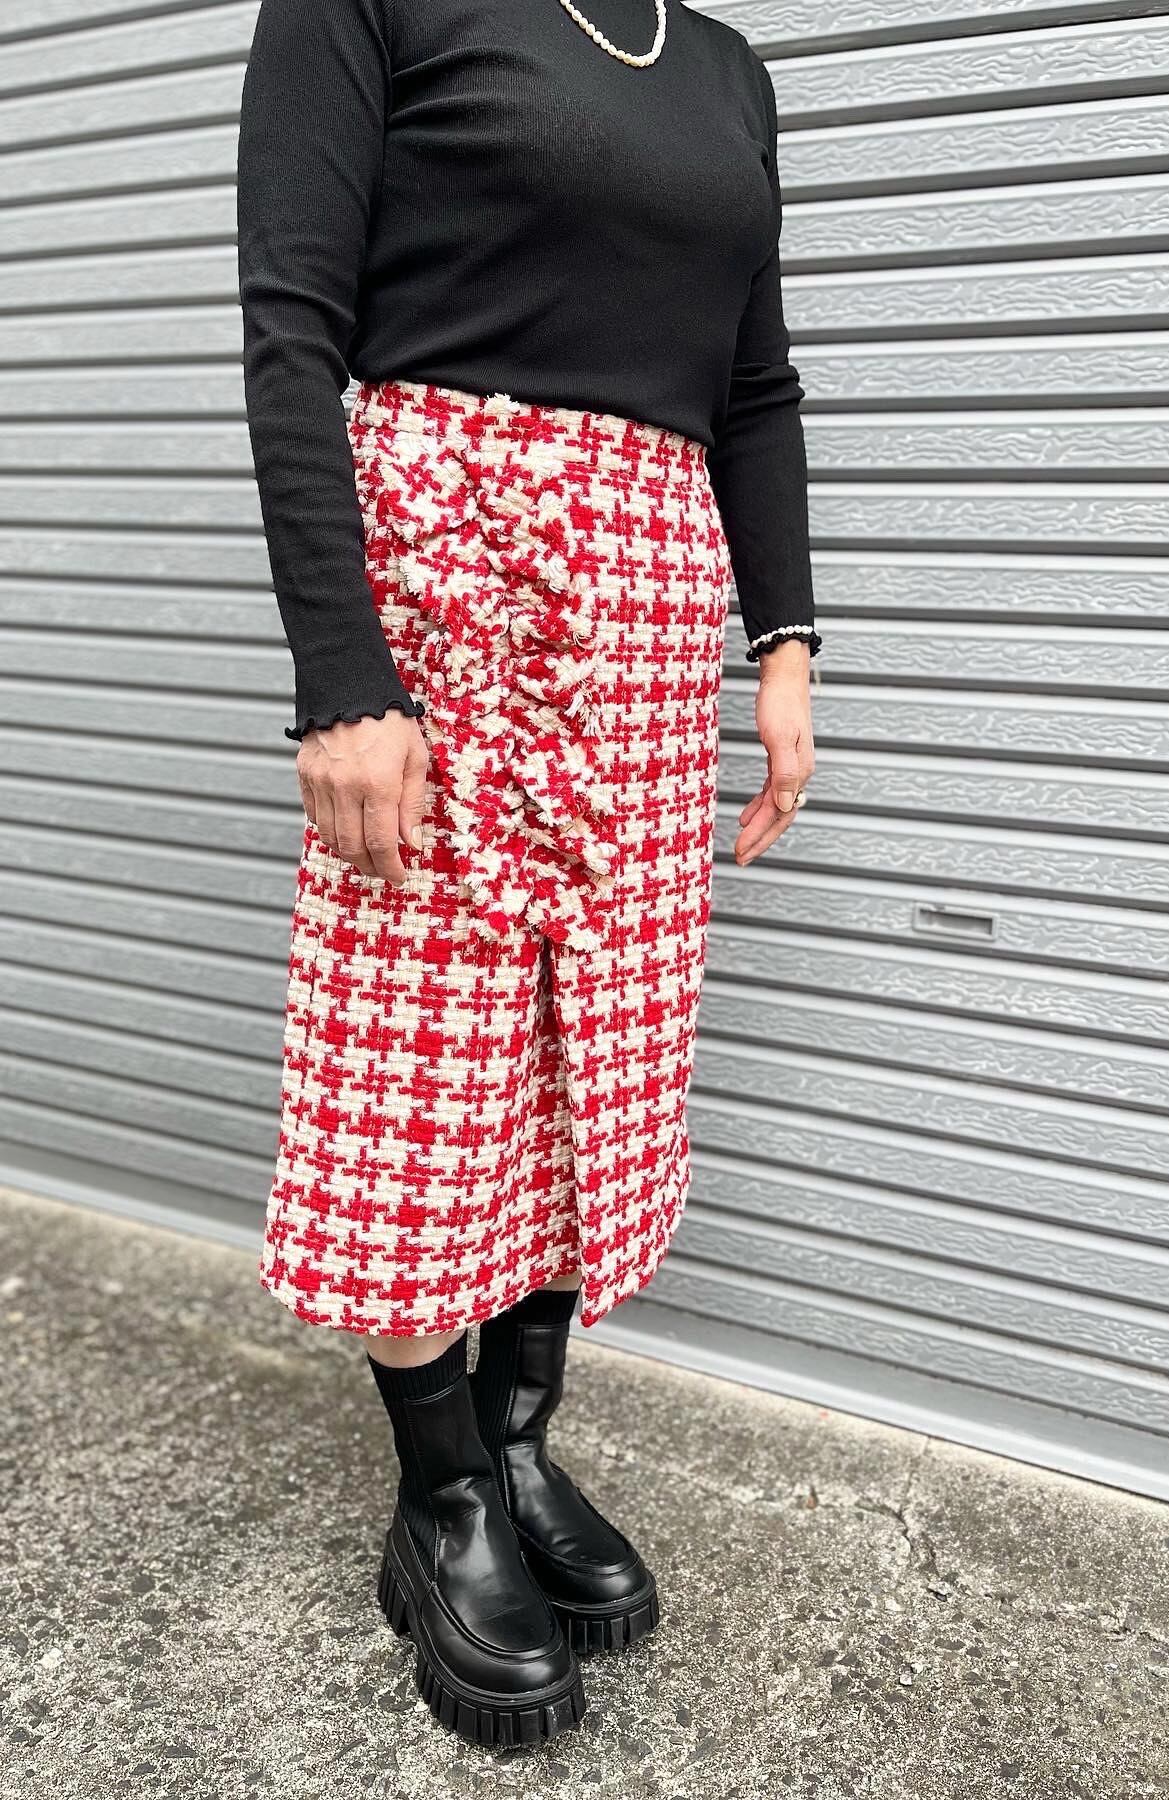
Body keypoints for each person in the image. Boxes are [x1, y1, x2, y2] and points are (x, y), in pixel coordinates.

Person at [236, 0, 821, 1748]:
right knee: (417, 1069)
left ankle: (517, 1439)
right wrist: (343, 677)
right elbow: (290, 330)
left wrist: (784, 642)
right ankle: (441, 1501)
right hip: (444, 588)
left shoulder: (725, 70)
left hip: (644, 613)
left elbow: (755, 384)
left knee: (596, 1054)